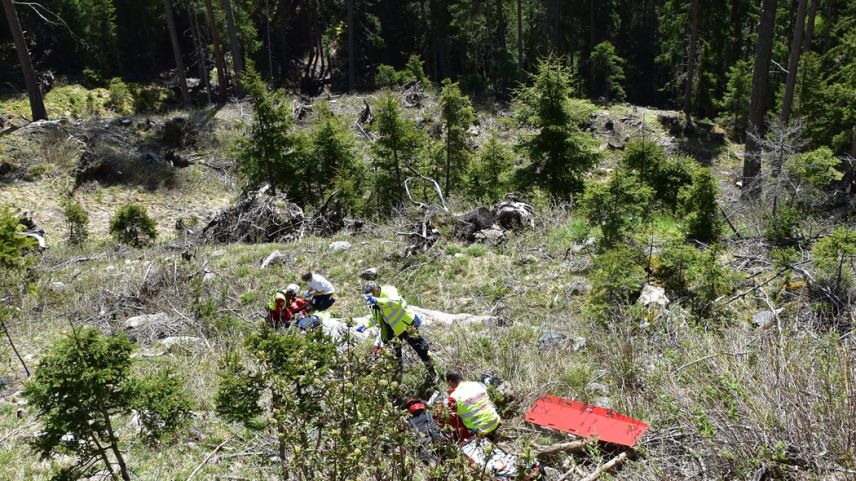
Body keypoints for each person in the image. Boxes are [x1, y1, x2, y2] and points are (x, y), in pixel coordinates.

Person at [358, 281, 437, 384]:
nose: (369, 297)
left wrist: (377, 300)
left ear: (377, 290)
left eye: (371, 294)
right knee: (395, 357)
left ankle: (433, 374)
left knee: (421, 349)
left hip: (406, 325)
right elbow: (375, 317)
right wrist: (365, 325)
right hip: (391, 330)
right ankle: (397, 383)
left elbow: (395, 303)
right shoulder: (373, 302)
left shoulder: (389, 291)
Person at [444, 368, 501, 440]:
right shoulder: (477, 384)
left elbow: (454, 421)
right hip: (495, 421)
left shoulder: (453, 397)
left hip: (480, 431)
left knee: (453, 418)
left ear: (450, 382)